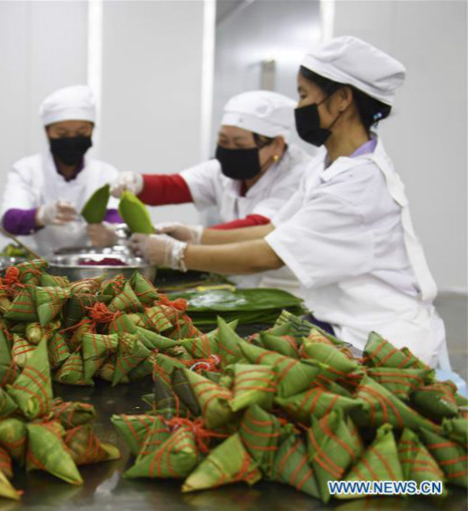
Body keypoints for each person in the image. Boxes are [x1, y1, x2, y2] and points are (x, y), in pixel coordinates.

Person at [130, 36, 446, 366]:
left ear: (341, 99)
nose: (297, 107)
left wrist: (177, 254)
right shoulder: (327, 166)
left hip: (379, 342)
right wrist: (196, 235)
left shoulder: (357, 184)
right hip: (339, 321)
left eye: (304, 94)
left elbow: (267, 255)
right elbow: (274, 229)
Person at [111, 90, 309, 290]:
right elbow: (174, 186)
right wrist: (137, 183)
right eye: (223, 142)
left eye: (239, 144)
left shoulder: (298, 176)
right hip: (239, 282)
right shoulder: (221, 171)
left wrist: (187, 242)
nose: (229, 150)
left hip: (286, 288)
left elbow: (261, 227)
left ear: (276, 144)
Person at [0, 85, 121, 255]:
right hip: (37, 265)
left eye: (81, 132)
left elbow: (116, 217)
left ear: (92, 131)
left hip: (91, 268)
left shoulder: (106, 174)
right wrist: (41, 215)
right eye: (62, 134)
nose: (71, 140)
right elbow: (9, 221)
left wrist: (112, 232)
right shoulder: (26, 170)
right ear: (47, 132)